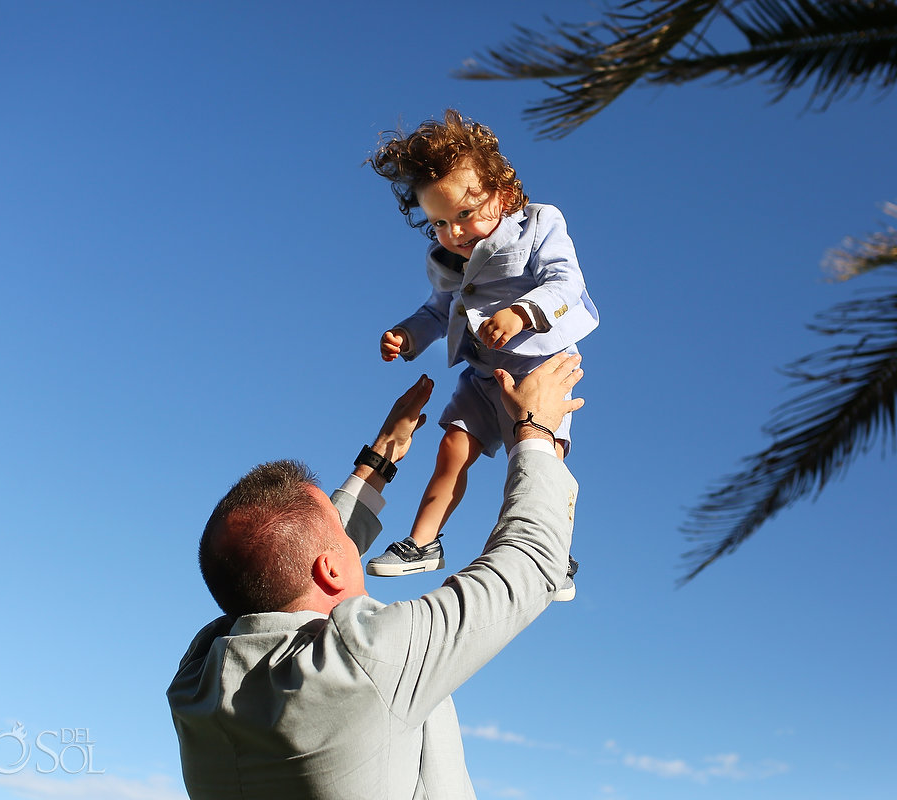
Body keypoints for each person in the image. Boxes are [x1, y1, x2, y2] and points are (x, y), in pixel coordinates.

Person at [167, 352, 584, 800]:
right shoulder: (366, 661)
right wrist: (536, 431)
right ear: (329, 569)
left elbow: (293, 557)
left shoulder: (196, 682)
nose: (354, 541)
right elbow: (529, 561)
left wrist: (380, 457)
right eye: (344, 539)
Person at [364, 109, 598, 584]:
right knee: (452, 447)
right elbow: (437, 310)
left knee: (537, 459)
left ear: (504, 194)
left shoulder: (539, 224)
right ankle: (423, 543)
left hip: (539, 373)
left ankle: (552, 553)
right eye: (440, 223)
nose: (454, 232)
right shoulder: (449, 258)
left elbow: (565, 282)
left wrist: (521, 313)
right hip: (481, 375)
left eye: (465, 215)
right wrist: (408, 336)